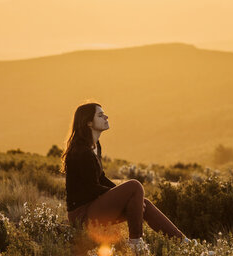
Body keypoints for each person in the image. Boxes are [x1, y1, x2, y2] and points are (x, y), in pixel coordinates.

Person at [62, 102, 189, 253]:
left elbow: (101, 178)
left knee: (144, 203)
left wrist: (128, 198)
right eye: (100, 115)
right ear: (89, 122)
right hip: (82, 216)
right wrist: (126, 195)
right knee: (134, 186)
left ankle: (185, 243)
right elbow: (91, 189)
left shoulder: (95, 146)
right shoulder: (81, 152)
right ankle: (135, 243)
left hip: (95, 208)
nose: (106, 117)